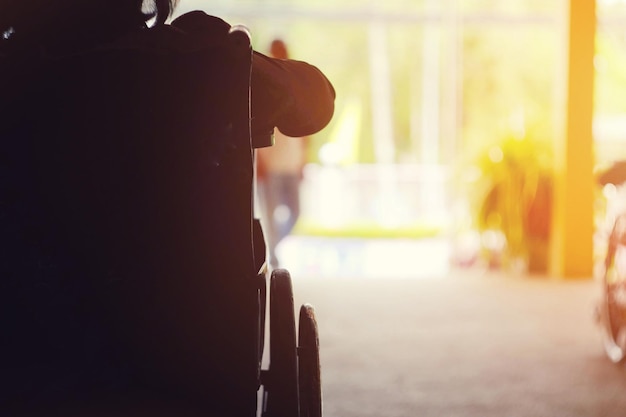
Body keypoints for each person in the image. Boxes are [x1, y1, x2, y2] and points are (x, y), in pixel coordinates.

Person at [0, 1, 334, 414]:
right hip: (191, 351)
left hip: (28, 351)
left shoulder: (15, 73)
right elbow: (316, 101)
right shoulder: (201, 59)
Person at [256, 39, 311, 269]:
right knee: (269, 216)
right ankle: (273, 254)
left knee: (295, 213)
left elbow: (308, 130)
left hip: (291, 164)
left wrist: (303, 162)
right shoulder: (262, 86)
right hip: (270, 164)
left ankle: (274, 247)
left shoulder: (298, 86)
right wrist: (258, 161)